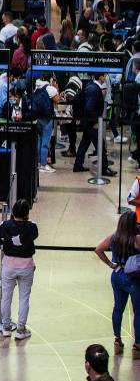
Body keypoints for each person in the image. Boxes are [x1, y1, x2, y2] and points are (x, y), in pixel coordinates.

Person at [95, 210, 140, 358]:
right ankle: (137, 346)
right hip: (133, 278)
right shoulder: (137, 239)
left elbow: (99, 249)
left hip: (117, 275)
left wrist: (110, 264)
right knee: (137, 312)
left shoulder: (114, 237)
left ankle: (117, 342)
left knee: (118, 309)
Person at [0, 199, 38, 341]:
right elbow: (34, 236)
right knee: (24, 297)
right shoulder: (32, 227)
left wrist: (5, 240)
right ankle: (21, 329)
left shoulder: (6, 225)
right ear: (27, 213)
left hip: (8, 266)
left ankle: (6, 327)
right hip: (26, 266)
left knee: (6, 296)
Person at [74, 74, 116, 177]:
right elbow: (89, 108)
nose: (105, 77)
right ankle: (104, 169)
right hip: (91, 123)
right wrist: (95, 121)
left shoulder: (92, 86)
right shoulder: (94, 89)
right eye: (104, 75)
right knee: (100, 145)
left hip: (87, 122)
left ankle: (78, 165)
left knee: (84, 143)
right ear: (100, 77)